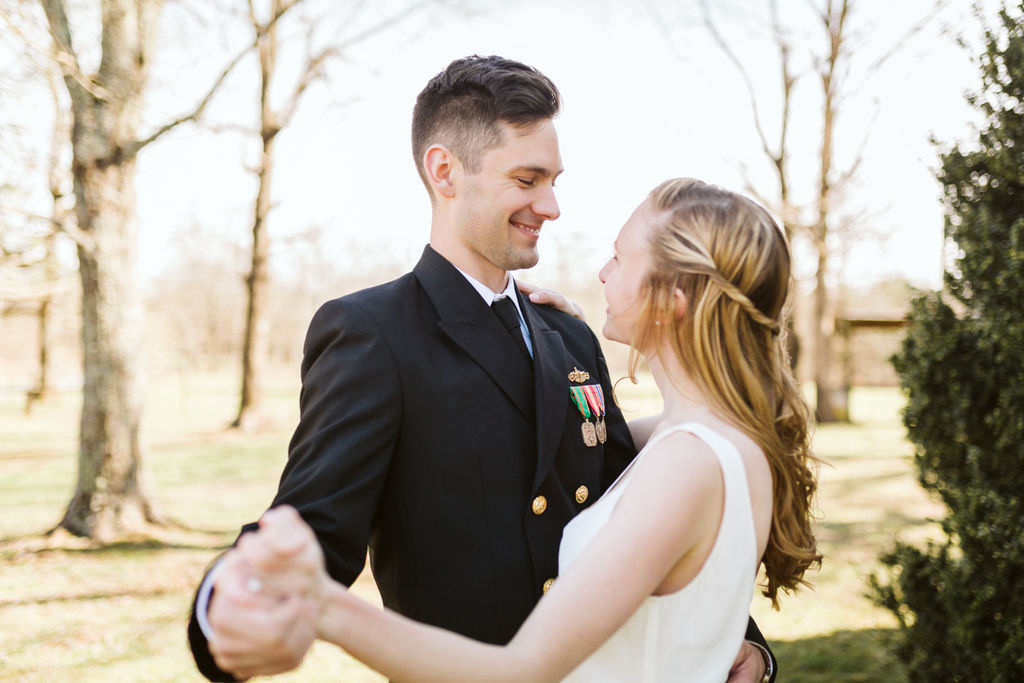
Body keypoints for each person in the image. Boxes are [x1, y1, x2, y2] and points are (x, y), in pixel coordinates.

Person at [188, 56, 777, 682]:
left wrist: (736, 643)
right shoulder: (374, 334)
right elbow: (313, 526)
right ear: (445, 171)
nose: (550, 206)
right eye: (527, 180)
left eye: (553, 180)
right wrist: (221, 610)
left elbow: (636, 509)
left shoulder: (571, 334)